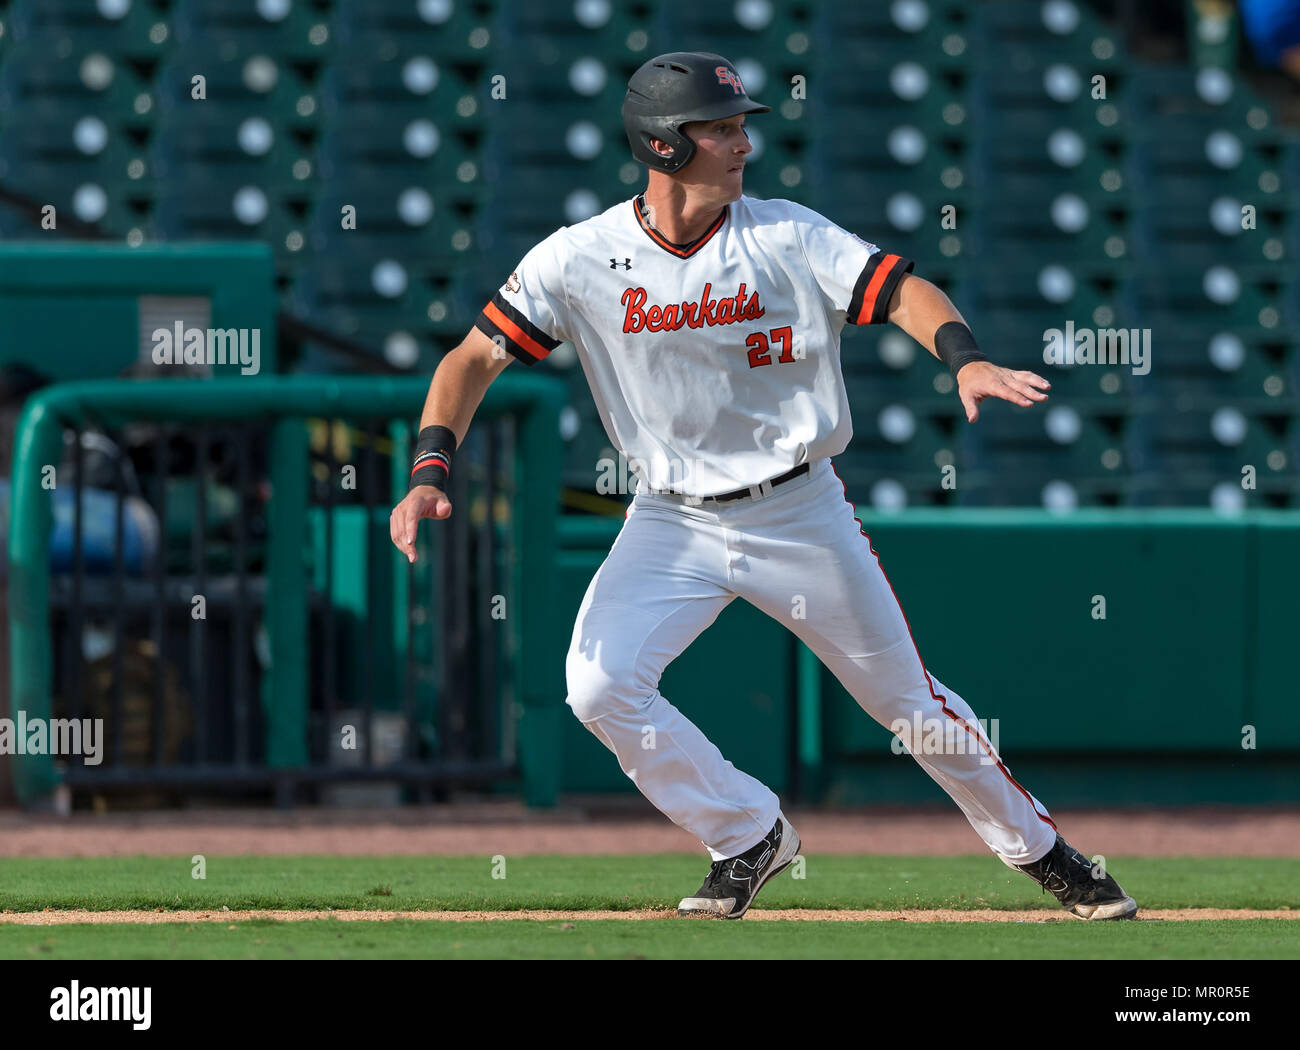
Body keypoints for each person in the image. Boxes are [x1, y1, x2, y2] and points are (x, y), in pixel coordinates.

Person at [390, 52, 1137, 921]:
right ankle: (747, 832)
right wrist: (427, 470)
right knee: (597, 688)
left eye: (741, 124)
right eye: (722, 127)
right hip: (670, 521)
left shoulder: (786, 234)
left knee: (911, 710)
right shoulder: (580, 258)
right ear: (664, 145)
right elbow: (472, 357)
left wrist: (963, 360)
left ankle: (1047, 854)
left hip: (799, 511)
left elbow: (902, 293)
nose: (744, 142)